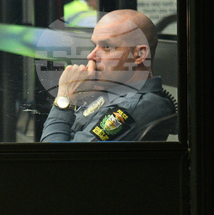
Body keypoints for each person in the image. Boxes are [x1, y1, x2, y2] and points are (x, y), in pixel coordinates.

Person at [41, 8, 176, 142]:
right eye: (95, 45)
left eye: (106, 47)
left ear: (139, 55)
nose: (91, 56)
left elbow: (55, 158)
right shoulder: (112, 91)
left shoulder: (131, 108)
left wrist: (65, 98)